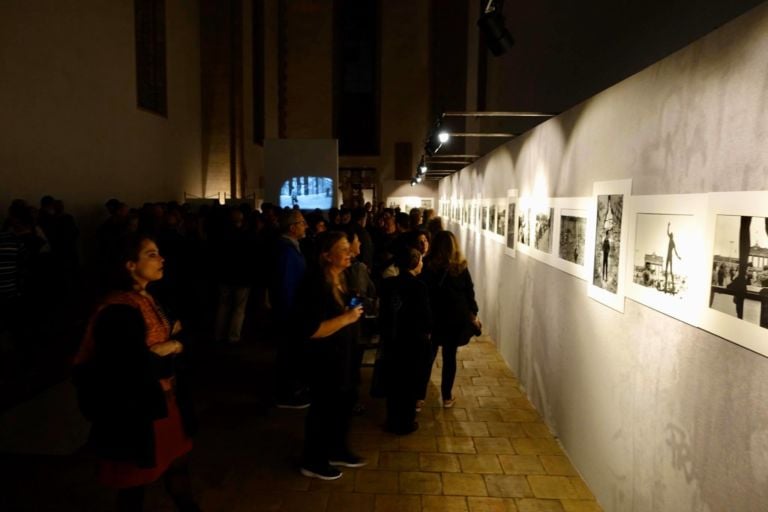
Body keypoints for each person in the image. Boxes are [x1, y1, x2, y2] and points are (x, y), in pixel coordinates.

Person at [73, 234, 199, 512]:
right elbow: (128, 368)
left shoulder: (149, 299)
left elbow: (184, 333)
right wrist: (171, 351)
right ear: (129, 264)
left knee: (176, 464)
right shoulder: (117, 310)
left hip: (163, 402)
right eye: (151, 254)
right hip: (137, 411)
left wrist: (173, 345)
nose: (161, 258)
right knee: (135, 481)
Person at [293, 231, 365, 480]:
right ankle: (313, 460)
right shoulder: (315, 284)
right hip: (323, 360)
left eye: (349, 248)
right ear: (326, 255)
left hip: (342, 356)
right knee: (323, 410)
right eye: (343, 249)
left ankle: (336, 449)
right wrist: (346, 317)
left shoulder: (341, 278)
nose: (350, 253)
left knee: (343, 405)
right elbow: (312, 329)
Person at [419, 231, 480, 409]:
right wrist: (473, 313)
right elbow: (470, 291)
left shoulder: (428, 266)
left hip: (433, 318)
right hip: (455, 319)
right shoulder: (460, 267)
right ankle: (446, 397)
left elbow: (422, 292)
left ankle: (419, 397)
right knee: (449, 357)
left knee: (427, 357)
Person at [379, 247, 431, 434]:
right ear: (415, 263)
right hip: (412, 341)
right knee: (409, 383)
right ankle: (406, 422)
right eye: (421, 260)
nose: (423, 263)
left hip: (393, 339)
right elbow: (424, 316)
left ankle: (392, 420)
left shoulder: (388, 284)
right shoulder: (419, 287)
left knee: (394, 382)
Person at [664, 222, 682, 293]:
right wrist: (668, 226)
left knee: (670, 270)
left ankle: (672, 285)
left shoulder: (673, 242)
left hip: (670, 256)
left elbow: (675, 251)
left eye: (671, 235)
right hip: (668, 256)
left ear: (672, 236)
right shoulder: (671, 240)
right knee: (666, 269)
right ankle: (667, 286)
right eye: (671, 235)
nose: (671, 236)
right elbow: (667, 233)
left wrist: (678, 257)